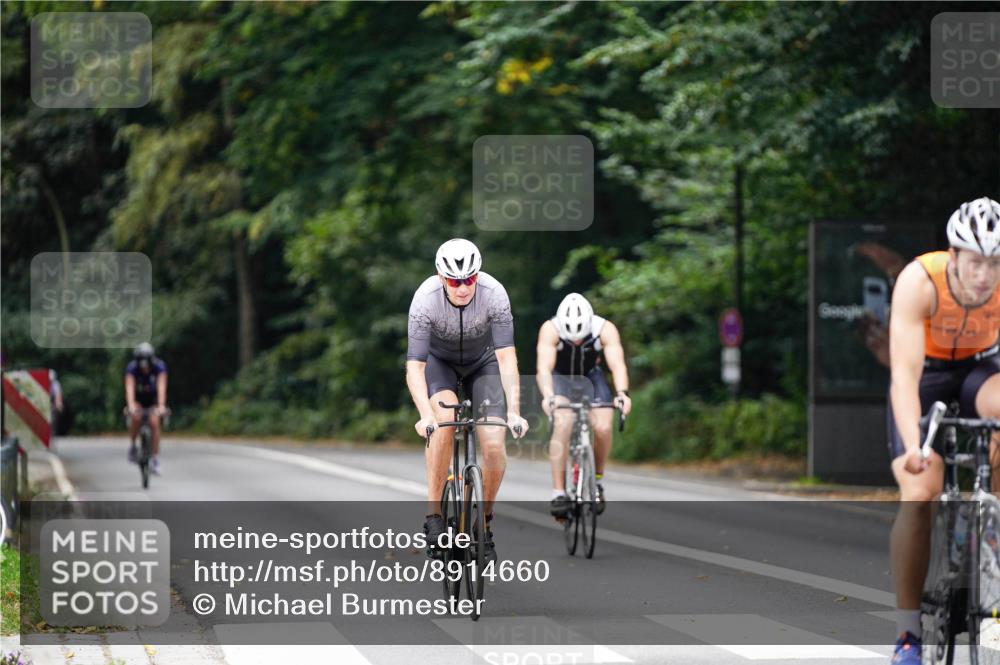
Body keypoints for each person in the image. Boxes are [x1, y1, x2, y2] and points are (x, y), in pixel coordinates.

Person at [887, 197, 1000, 664]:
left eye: (994, 263)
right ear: (954, 256)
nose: (984, 275)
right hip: (928, 371)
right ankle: (908, 634)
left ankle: (990, 532)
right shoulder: (920, 280)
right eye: (975, 262)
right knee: (919, 490)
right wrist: (915, 447)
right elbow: (904, 377)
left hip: (981, 368)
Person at [406, 239, 529, 562]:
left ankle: (483, 525)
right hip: (440, 365)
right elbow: (415, 367)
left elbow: (506, 358)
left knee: (493, 443)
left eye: (470, 279)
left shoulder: (495, 294)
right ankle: (433, 517)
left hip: (482, 363)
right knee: (442, 426)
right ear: (440, 277)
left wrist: (514, 410)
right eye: (454, 281)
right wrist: (424, 415)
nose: (463, 288)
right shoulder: (425, 299)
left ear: (478, 275)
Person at [536, 293, 632, 519]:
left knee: (603, 427)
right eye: (572, 339)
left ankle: (597, 481)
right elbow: (544, 369)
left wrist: (622, 394)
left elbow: (617, 365)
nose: (577, 342)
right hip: (561, 379)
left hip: (591, 378)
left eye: (580, 338)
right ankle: (559, 492)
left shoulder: (604, 329)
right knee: (563, 422)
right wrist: (549, 396)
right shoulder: (551, 329)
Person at [124, 342, 168, 474]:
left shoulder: (159, 367)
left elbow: (161, 387)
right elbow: (130, 387)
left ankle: (154, 458)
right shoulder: (132, 368)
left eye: (146, 364)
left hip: (153, 400)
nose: (144, 368)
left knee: (154, 422)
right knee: (136, 417)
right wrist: (131, 405)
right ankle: (133, 446)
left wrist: (161, 406)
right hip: (138, 399)